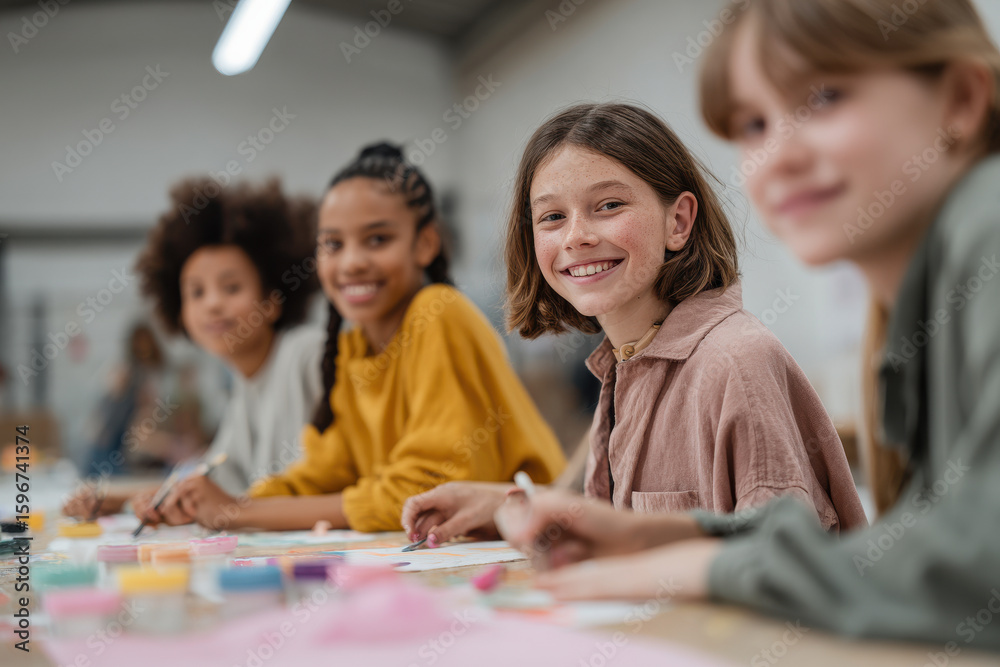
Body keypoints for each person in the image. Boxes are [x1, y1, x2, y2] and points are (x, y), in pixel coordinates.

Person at [497, 0, 1000, 649]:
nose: (778, 155)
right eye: (754, 123)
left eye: (823, 97)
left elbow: (979, 567)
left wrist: (703, 563)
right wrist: (671, 535)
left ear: (960, 99)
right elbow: (927, 542)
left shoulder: (986, 230)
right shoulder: (917, 298)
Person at [403, 103, 865, 547]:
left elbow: (783, 563)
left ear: (678, 222)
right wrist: (503, 504)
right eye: (552, 216)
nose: (576, 235)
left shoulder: (736, 361)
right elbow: (607, 522)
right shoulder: (626, 362)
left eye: (608, 206)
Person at [148, 143, 567, 532]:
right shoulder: (351, 352)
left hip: (536, 543)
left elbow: (427, 493)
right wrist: (213, 505)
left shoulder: (438, 313)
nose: (351, 262)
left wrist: (237, 512)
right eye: (333, 244)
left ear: (424, 243)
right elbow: (322, 473)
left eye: (378, 239)